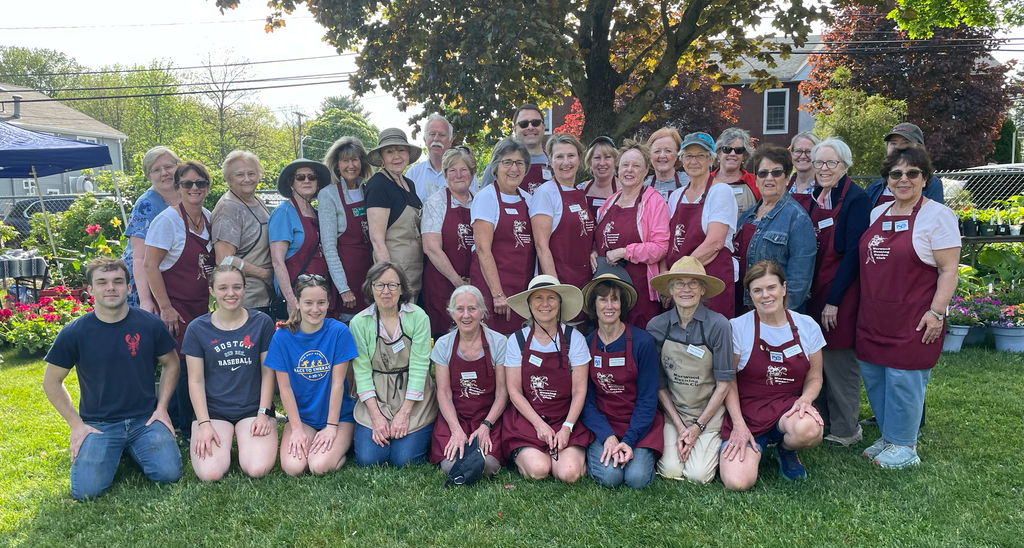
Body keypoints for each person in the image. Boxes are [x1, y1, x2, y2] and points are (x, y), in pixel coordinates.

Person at [42, 257, 181, 501]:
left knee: (168, 474)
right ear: (90, 290)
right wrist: (76, 425)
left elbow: (171, 363)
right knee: (86, 491)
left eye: (118, 282)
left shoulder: (149, 324)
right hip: (99, 424)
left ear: (129, 288)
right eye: (102, 282)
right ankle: (116, 448)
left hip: (145, 420)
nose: (111, 288)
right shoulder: (74, 332)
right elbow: (52, 381)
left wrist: (162, 409)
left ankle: (132, 447)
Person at [857, 146, 959, 469]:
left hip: (914, 316)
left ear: (925, 178)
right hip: (875, 314)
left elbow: (948, 271)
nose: (904, 179)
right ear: (887, 180)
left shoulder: (937, 216)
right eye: (896, 173)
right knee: (875, 376)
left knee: (904, 379)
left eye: (912, 173)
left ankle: (905, 446)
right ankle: (889, 436)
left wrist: (937, 312)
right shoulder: (878, 214)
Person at [720, 260, 825, 490]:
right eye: (757, 290)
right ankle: (751, 442)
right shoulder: (737, 327)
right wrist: (738, 424)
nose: (766, 295)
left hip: (788, 408)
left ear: (784, 288)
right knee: (738, 482)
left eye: (771, 287)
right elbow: (728, 380)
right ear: (749, 294)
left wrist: (805, 401)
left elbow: (815, 377)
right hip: (747, 411)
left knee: (809, 429)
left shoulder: (807, 326)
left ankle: (786, 450)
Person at [182, 265, 278, 481]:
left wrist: (264, 412)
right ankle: (219, 438)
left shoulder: (262, 323)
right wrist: (204, 424)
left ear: (245, 288)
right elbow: (195, 381)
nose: (231, 293)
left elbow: (268, 373)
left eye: (236, 287)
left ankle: (248, 439)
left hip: (252, 408)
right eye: (223, 288)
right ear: (212, 290)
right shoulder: (197, 328)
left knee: (257, 469)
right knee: (210, 473)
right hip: (214, 411)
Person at [143, 160, 215, 439]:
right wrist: (166, 308)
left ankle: (196, 418)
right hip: (176, 306)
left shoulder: (208, 217)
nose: (194, 188)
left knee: (197, 365)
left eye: (200, 183)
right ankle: (183, 426)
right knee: (182, 366)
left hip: (199, 305)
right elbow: (151, 266)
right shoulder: (168, 220)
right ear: (178, 187)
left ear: (207, 187)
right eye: (187, 183)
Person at [806, 138, 870, 447]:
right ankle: (825, 419)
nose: (824, 169)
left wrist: (833, 301)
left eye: (831, 163)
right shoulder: (815, 196)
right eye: (819, 162)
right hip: (815, 288)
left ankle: (847, 428)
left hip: (841, 292)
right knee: (818, 358)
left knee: (840, 359)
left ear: (845, 166)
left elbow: (854, 254)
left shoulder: (856, 199)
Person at [647, 257, 733, 484]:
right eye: (678, 283)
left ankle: (716, 441)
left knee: (698, 476)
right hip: (674, 413)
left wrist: (697, 428)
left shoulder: (719, 325)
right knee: (670, 470)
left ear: (703, 289)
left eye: (693, 283)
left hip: (708, 414)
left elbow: (724, 384)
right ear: (670, 290)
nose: (686, 289)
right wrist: (679, 424)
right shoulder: (656, 326)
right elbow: (659, 383)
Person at [502, 275, 594, 482]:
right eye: (538, 298)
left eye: (551, 298)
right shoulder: (517, 340)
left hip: (566, 417)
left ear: (560, 304)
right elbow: (514, 391)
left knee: (568, 474)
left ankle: (564, 455)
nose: (545, 304)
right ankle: (534, 454)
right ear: (529, 304)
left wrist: (567, 428)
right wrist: (539, 426)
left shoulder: (575, 339)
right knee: (539, 470)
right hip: (528, 419)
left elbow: (580, 390)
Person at [580, 262, 663, 489]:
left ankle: (641, 456)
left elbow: (648, 399)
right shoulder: (586, 345)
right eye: (602, 299)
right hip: (603, 426)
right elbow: (585, 399)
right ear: (593, 305)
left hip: (639, 425)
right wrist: (607, 436)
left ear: (622, 304)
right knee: (610, 478)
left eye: (614, 299)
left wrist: (629, 439)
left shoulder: (642, 342)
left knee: (636, 479)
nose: (609, 305)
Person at [266, 274, 359, 476]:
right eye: (308, 303)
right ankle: (318, 443)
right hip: (303, 417)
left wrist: (331, 427)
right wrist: (297, 429)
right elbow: (284, 387)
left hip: (338, 416)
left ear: (328, 303)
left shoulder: (339, 331)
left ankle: (342, 446)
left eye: (321, 303)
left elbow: (337, 383)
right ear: (297, 303)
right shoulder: (282, 336)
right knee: (293, 468)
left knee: (319, 466)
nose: (315, 309)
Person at [349, 262, 439, 466]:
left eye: (392, 285)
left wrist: (404, 413)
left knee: (404, 459)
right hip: (375, 394)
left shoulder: (418, 317)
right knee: (370, 459)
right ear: (370, 288)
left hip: (412, 394)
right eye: (379, 285)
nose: (386, 291)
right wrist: (376, 416)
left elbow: (419, 368)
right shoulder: (359, 323)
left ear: (402, 289)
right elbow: (361, 372)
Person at [428, 285, 508, 477]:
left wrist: (486, 426)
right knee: (450, 466)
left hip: (489, 416)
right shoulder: (444, 344)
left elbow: (502, 393)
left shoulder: (498, 343)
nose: (466, 315)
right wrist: (456, 430)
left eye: (472, 308)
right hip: (456, 416)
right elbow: (444, 393)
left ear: (482, 312)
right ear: (452, 313)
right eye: (460, 309)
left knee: (487, 464)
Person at [593, 140, 670, 330]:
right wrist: (593, 250)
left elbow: (660, 248)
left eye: (636, 166)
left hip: (640, 290)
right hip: (608, 288)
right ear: (618, 169)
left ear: (646, 172)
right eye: (625, 165)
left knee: (637, 343)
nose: (629, 170)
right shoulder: (610, 201)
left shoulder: (654, 201)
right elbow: (598, 236)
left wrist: (623, 252)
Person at [663, 132, 737, 318]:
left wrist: (677, 276)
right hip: (680, 284)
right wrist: (667, 281)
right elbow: (667, 242)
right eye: (688, 156)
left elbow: (714, 244)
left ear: (711, 159)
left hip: (710, 282)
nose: (693, 161)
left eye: (700, 156)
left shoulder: (720, 191)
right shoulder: (675, 196)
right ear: (681, 160)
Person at [735, 146, 816, 315]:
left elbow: (800, 281)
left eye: (776, 173)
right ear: (756, 179)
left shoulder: (797, 218)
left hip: (774, 313)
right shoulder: (747, 216)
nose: (769, 178)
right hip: (743, 309)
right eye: (763, 173)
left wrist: (777, 317)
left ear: (787, 178)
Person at [470, 138, 537, 335]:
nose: (513, 168)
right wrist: (498, 294)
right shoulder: (486, 198)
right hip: (494, 291)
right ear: (496, 167)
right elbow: (483, 250)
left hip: (522, 290)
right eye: (507, 162)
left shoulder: (530, 200)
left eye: (519, 162)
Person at [531, 134, 595, 304]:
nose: (566, 162)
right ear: (550, 161)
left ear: (579, 159)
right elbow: (541, 246)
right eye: (559, 157)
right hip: (560, 280)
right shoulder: (545, 193)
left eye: (571, 156)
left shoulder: (580, 191)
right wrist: (555, 289)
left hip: (583, 278)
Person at [365, 128, 425, 302]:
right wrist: (390, 280)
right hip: (395, 276)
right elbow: (377, 239)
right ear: (382, 158)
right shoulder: (378, 185)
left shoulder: (409, 184)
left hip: (415, 271)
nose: (396, 156)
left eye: (401, 150)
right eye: (389, 152)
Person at [211, 150, 274, 314]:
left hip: (265, 295)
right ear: (228, 179)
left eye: (251, 173)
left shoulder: (256, 200)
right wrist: (264, 274)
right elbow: (224, 259)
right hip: (247, 299)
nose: (247, 179)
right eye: (240, 174)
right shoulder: (228, 209)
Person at [319, 137, 375, 322]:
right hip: (347, 278)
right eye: (345, 160)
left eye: (354, 159)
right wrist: (343, 288)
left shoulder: (369, 190)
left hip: (370, 274)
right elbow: (329, 247)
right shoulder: (328, 194)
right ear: (337, 165)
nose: (350, 165)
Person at [422, 147, 477, 336]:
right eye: (452, 170)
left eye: (464, 170)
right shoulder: (436, 203)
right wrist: (457, 282)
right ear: (445, 175)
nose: (458, 175)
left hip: (474, 286)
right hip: (442, 285)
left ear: (472, 173)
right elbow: (431, 248)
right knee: (445, 338)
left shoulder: (479, 201)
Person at [269, 159, 333, 318]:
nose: (307, 180)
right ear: (291, 183)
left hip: (319, 297)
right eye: (300, 177)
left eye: (312, 177)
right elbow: (277, 261)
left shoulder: (318, 214)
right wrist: (291, 302)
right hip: (298, 299)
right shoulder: (283, 213)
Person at [124, 146, 181, 310]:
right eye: (157, 170)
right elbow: (139, 257)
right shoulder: (146, 205)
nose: (164, 173)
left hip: (170, 276)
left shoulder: (187, 194)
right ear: (148, 176)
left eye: (169, 167)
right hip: (143, 282)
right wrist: (146, 300)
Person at [865, 123, 945, 207]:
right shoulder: (875, 187)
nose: (898, 147)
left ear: (920, 148)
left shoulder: (932, 184)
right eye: (893, 143)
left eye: (905, 142)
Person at [481, 103, 549, 194]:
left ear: (543, 127)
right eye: (523, 124)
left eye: (535, 123)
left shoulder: (556, 164)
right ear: (514, 129)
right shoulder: (496, 166)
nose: (530, 127)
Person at [406, 114, 468, 203]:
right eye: (432, 134)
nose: (436, 138)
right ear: (425, 140)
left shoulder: (464, 173)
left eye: (442, 135)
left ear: (450, 141)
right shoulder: (413, 174)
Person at [712, 128, 761, 220]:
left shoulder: (756, 183)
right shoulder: (705, 181)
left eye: (739, 150)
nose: (732, 153)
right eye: (727, 149)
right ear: (718, 154)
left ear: (744, 156)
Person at [577, 136, 619, 219]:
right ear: (589, 162)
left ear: (615, 160)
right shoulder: (580, 189)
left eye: (607, 157)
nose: (602, 163)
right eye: (597, 158)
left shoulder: (624, 191)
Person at [644, 127, 687, 201]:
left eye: (668, 151)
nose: (662, 155)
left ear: (677, 154)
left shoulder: (689, 184)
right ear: (649, 155)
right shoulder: (644, 188)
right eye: (657, 151)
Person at [788, 131, 820, 211]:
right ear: (791, 154)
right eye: (798, 151)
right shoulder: (783, 186)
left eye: (809, 151)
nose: (803, 156)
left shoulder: (825, 187)